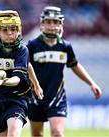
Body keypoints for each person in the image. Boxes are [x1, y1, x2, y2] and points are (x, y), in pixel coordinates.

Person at [27, 6, 102, 137]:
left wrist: (92, 83)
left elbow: (74, 65)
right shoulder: (32, 45)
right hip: (35, 97)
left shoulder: (65, 46)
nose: (51, 26)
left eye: (55, 22)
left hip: (57, 96)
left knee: (57, 133)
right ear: (42, 23)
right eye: (48, 22)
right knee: (37, 135)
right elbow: (25, 68)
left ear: (61, 24)